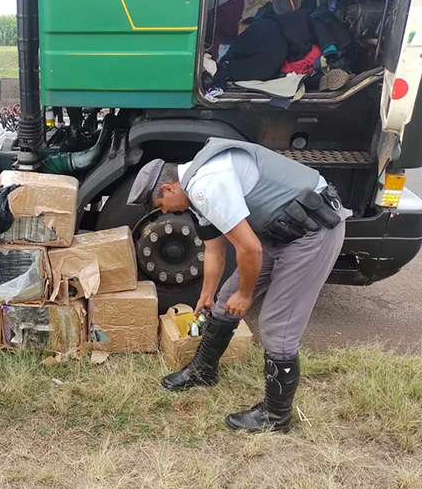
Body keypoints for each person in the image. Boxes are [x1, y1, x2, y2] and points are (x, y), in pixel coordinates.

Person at [128, 138, 351, 433]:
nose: (166, 213)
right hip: (282, 231)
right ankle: (203, 371)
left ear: (169, 188)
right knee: (223, 301)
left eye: (161, 206)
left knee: (277, 327)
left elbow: (250, 250)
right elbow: (214, 250)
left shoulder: (207, 184)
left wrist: (246, 295)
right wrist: (206, 294)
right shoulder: (196, 192)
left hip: (312, 234)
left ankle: (276, 417)